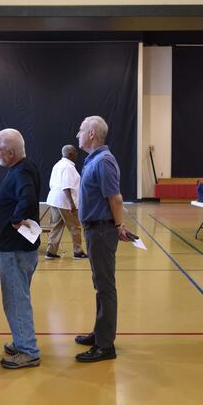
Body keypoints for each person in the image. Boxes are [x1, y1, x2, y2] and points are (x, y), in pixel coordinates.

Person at [0, 128, 42, 369]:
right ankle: (22, 341)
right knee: (19, 296)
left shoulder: (21, 172)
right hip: (19, 247)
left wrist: (17, 220)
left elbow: (26, 198)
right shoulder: (21, 169)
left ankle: (28, 350)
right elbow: (17, 197)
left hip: (14, 248)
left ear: (9, 151)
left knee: (16, 299)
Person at [74, 116, 131, 363]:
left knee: (105, 287)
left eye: (81, 129)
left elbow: (115, 199)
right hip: (94, 229)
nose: (77, 134)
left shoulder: (104, 161)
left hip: (101, 231)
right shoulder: (94, 160)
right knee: (100, 284)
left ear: (92, 133)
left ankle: (105, 345)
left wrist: (119, 226)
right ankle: (100, 332)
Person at [45, 145, 87, 260]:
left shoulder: (58, 165)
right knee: (75, 226)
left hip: (54, 200)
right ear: (70, 154)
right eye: (75, 152)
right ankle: (78, 252)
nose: (77, 154)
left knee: (56, 226)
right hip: (64, 201)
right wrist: (72, 203)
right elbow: (66, 186)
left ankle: (51, 252)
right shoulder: (68, 167)